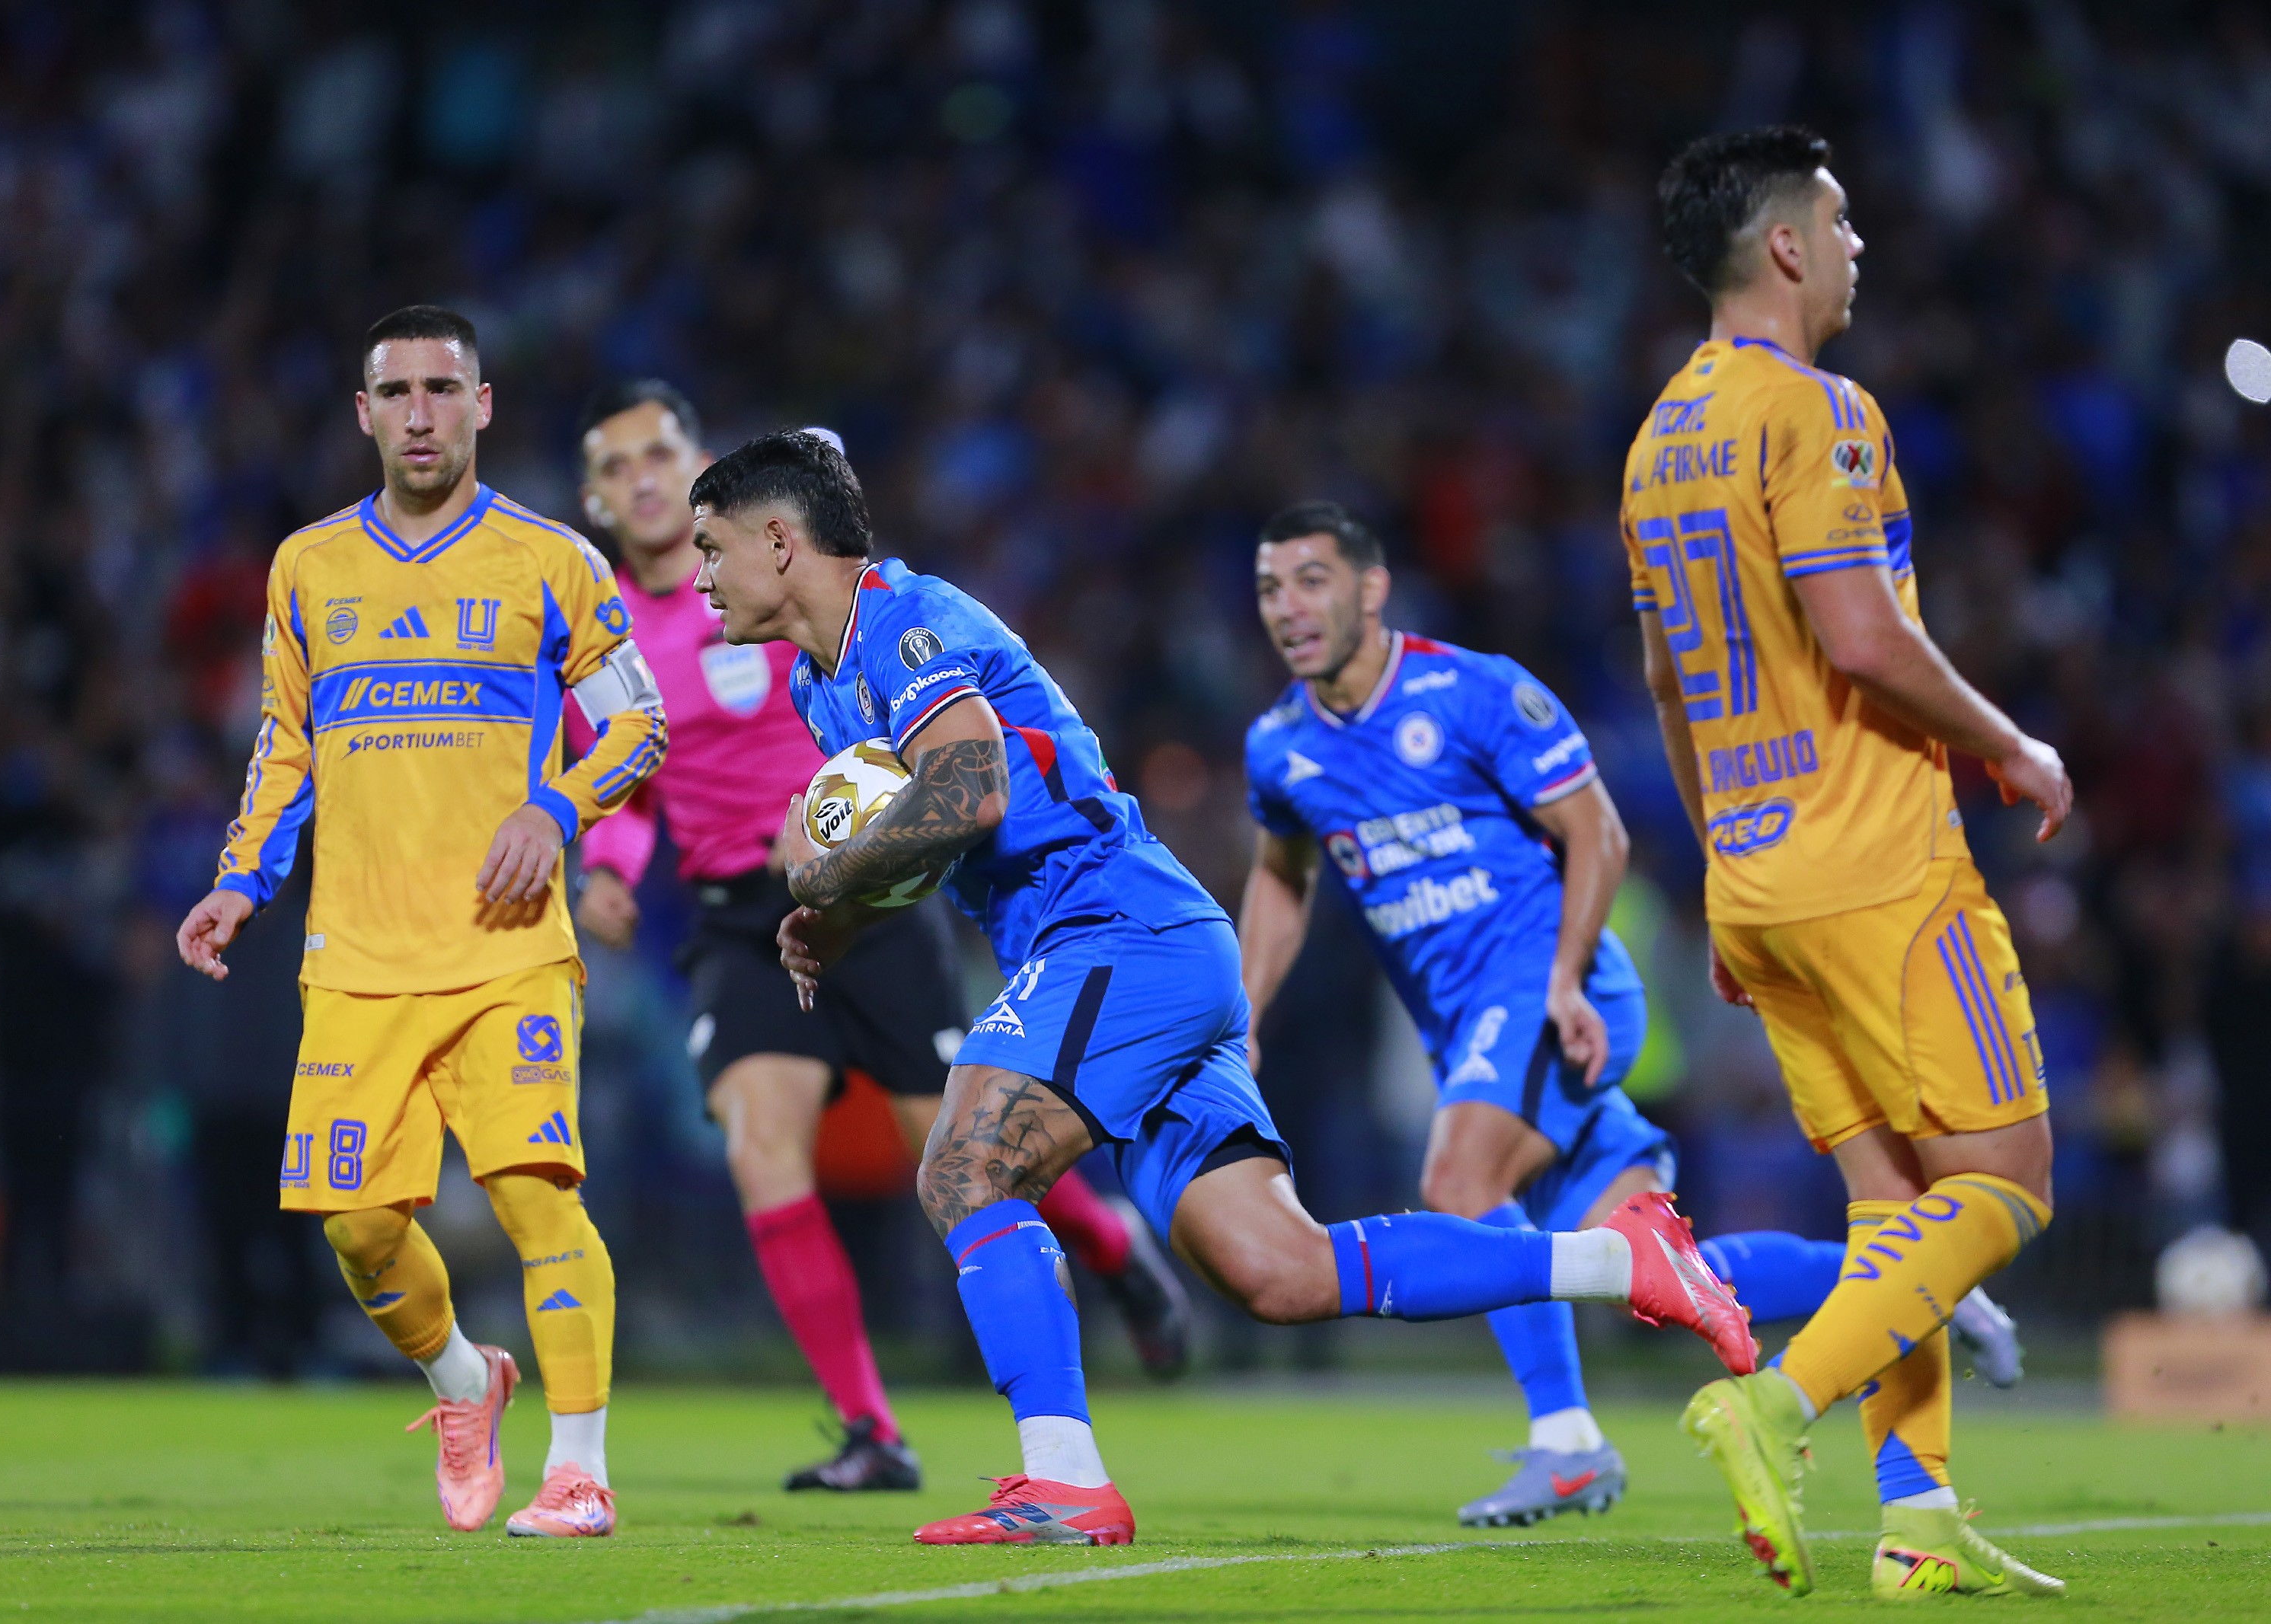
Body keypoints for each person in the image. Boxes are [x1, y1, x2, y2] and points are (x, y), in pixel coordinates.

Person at [687, 429, 1757, 1548]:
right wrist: (846, 916)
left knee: (965, 1162)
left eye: (711, 547)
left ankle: (1063, 1476)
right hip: (1123, 951)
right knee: (1279, 1270)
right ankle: (1620, 1256)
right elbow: (936, 844)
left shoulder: (905, 621)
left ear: (778, 537)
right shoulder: (822, 686)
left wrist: (824, 870)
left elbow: (972, 786)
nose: (700, 574)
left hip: (1118, 929)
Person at [1235, 501, 2024, 1529]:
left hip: (1551, 989)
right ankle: (1924, 1282)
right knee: (1650, 1268)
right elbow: (1282, 878)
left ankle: (1566, 1440)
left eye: (1310, 579)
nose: (1289, 607)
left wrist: (1562, 977)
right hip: (1471, 1024)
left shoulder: (1473, 691)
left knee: (1459, 1178)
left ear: (1370, 589)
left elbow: (1596, 831)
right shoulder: (1279, 748)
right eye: (1268, 588)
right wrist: (1244, 1009)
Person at [564, 383, 1190, 1492]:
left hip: (883, 895)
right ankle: (873, 1428)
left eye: (661, 452)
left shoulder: (796, 599)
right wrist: (607, 870)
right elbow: (630, 785)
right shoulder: (616, 634)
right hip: (738, 915)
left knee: (951, 1144)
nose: (643, 478)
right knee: (763, 1148)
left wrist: (837, 876)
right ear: (595, 499)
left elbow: (930, 761)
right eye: (616, 468)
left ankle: (1110, 1249)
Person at [1627, 129, 2073, 1599]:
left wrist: (1716, 872)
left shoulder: (1657, 441)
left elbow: (1669, 685)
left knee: (1894, 1207)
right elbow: (1864, 634)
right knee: (2006, 1184)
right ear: (1790, 250)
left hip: (1755, 870)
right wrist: (2016, 743)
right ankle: (1774, 1399)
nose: (1862, 239)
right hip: (1875, 860)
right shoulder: (1819, 412)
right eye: (1842, 214)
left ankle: (1918, 1518)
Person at [174, 305, 668, 1539]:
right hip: (357, 953)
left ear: (483, 405)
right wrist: (241, 881)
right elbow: (285, 746)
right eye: (395, 392)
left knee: (536, 1199)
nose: (420, 413)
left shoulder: (554, 561)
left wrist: (555, 808)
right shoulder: (309, 567)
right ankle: (463, 1378)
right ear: (363, 413)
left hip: (508, 948)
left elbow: (639, 719)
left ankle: (581, 1469)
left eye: (443, 389)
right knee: (356, 1228)